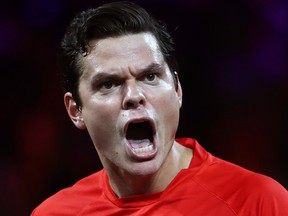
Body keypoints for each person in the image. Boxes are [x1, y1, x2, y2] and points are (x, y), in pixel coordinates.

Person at [31, 1, 288, 215]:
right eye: (109, 84)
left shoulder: (258, 202)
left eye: (150, 76)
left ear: (178, 89)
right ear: (75, 110)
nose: (133, 95)